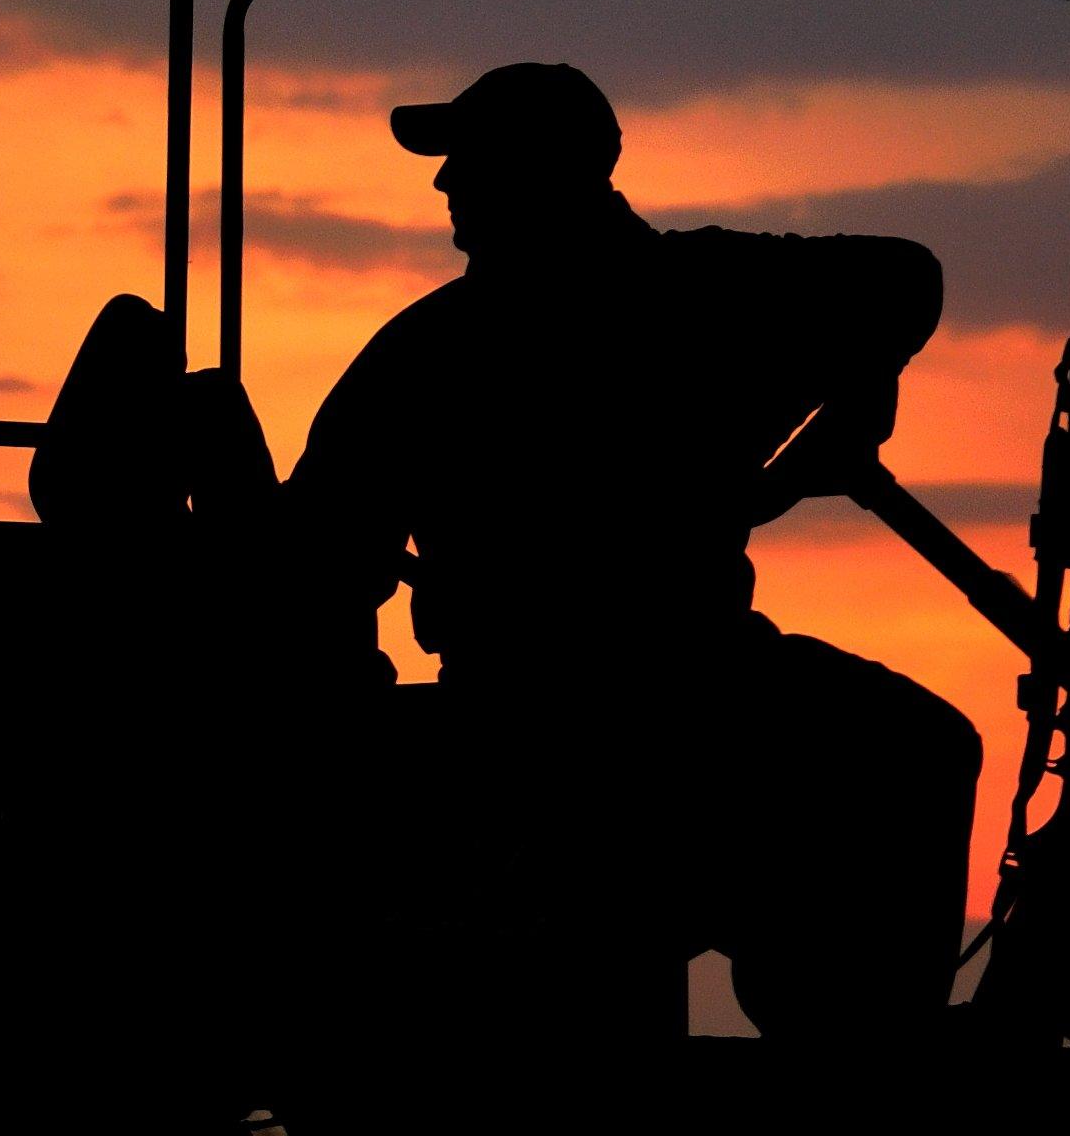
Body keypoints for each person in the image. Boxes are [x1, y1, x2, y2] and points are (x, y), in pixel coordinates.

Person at [262, 60, 983, 1045]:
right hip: (621, 711)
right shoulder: (703, 291)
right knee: (915, 749)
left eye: (465, 161)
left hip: (554, 710)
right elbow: (906, 277)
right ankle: (858, 1056)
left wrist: (844, 411)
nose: (442, 185)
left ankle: (841, 1039)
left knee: (901, 747)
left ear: (539, 170)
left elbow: (319, 560)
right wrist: (850, 407)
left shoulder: (433, 348)